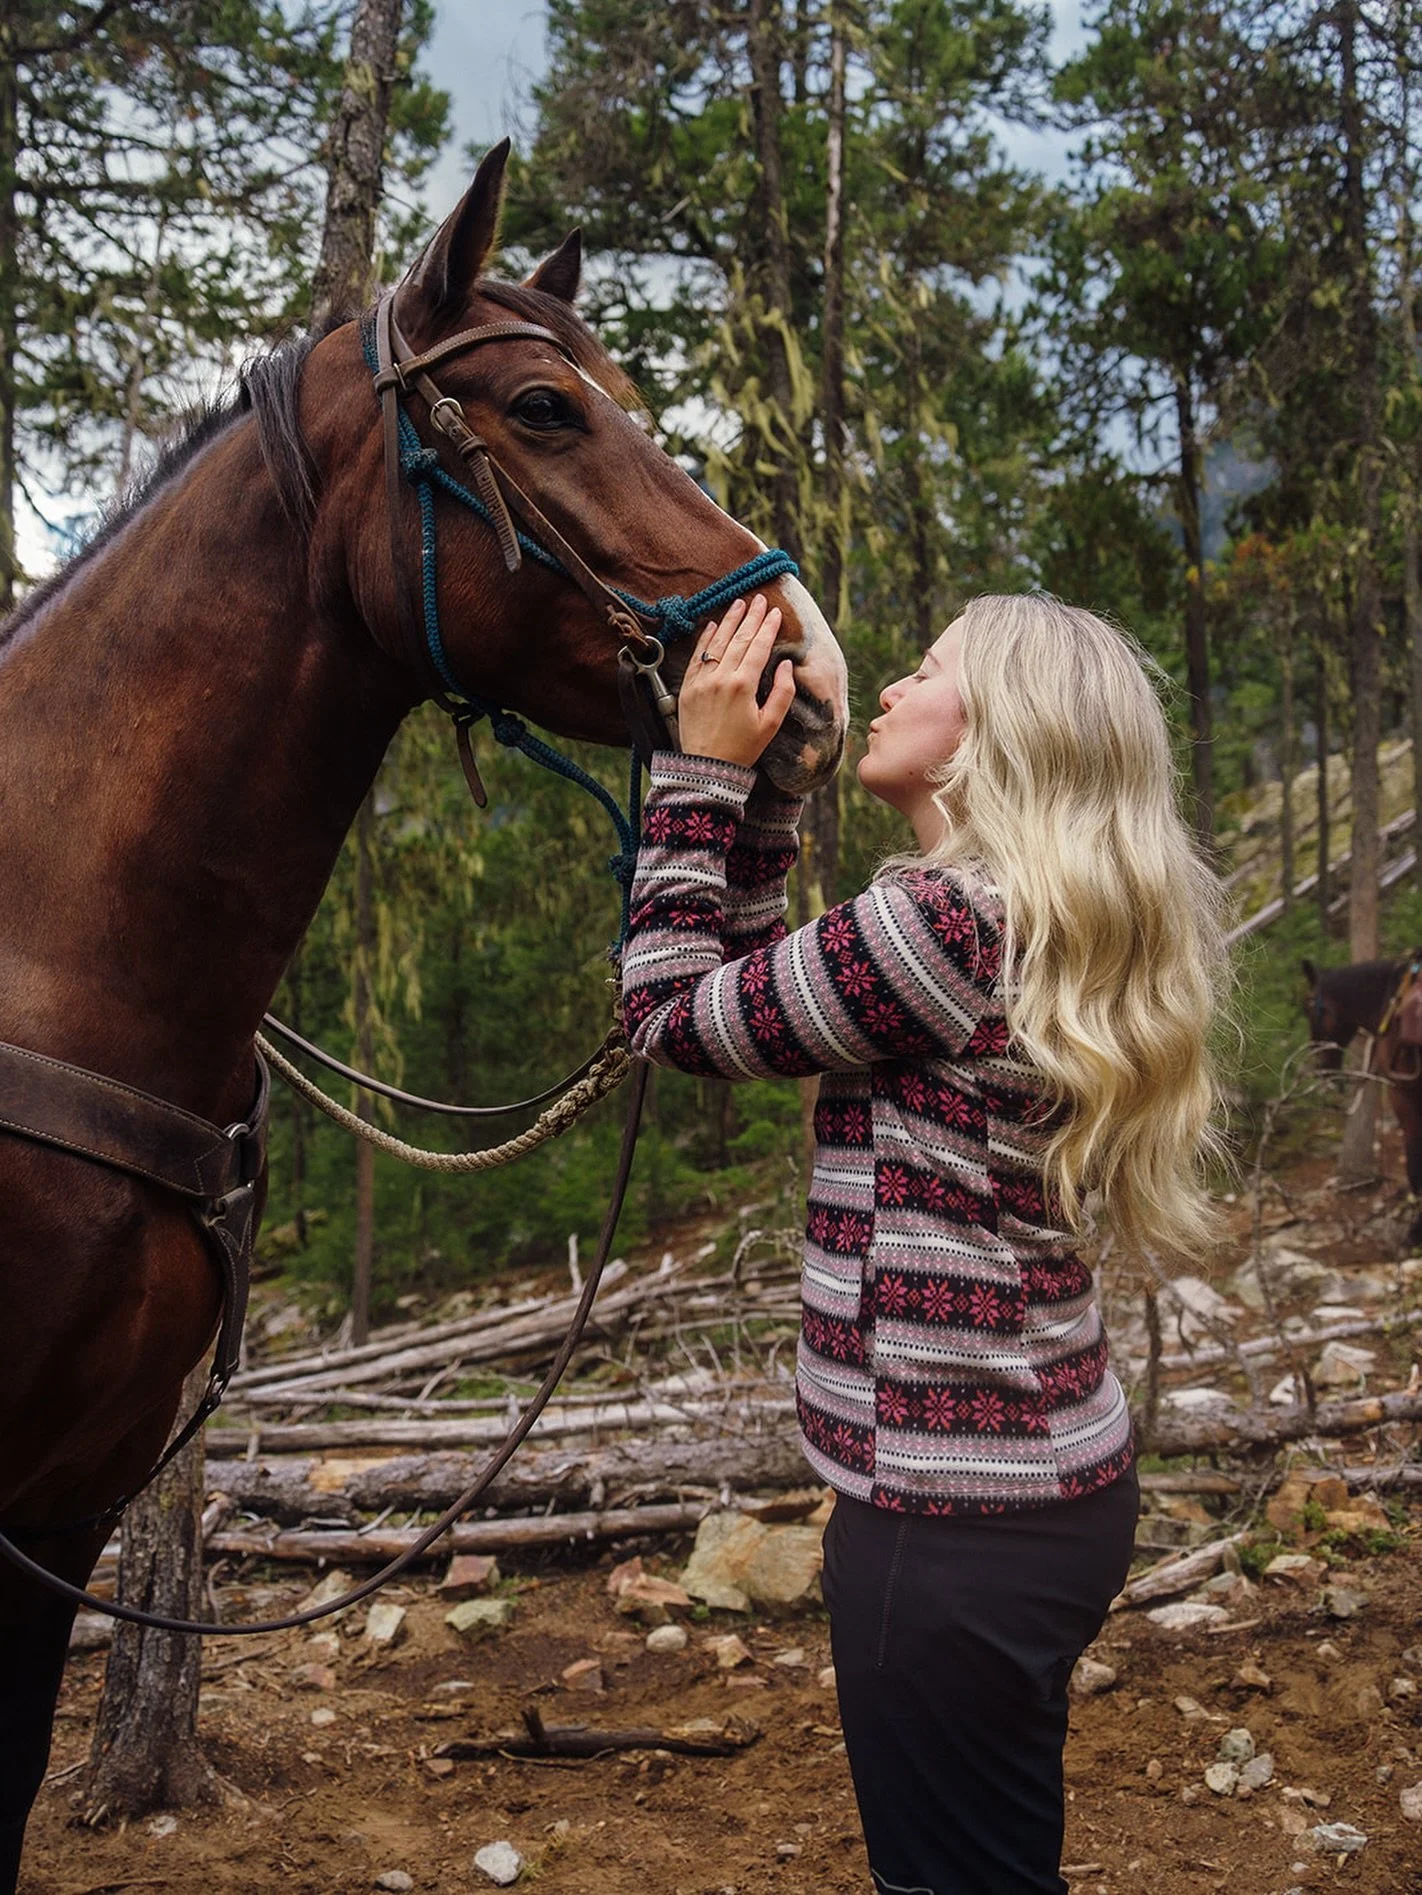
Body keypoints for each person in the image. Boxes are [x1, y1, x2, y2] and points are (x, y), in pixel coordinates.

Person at [620, 590, 1229, 1895]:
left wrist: (700, 774)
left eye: (926, 670)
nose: (888, 689)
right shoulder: (1018, 916)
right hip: (1049, 1491)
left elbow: (671, 1014)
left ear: (1002, 728)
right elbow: (760, 1001)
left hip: (947, 1527)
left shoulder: (938, 925)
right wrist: (774, 799)